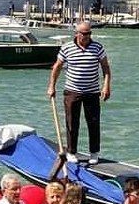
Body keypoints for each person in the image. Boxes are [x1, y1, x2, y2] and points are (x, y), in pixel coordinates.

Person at [47, 21, 111, 165]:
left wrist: (106, 86)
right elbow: (57, 67)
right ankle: (71, 152)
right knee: (71, 123)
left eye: (89, 33)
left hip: (92, 91)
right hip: (72, 91)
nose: (87, 36)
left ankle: (94, 153)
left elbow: (106, 68)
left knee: (93, 122)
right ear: (77, 34)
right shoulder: (67, 48)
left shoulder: (98, 47)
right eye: (84, 34)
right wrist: (52, 86)